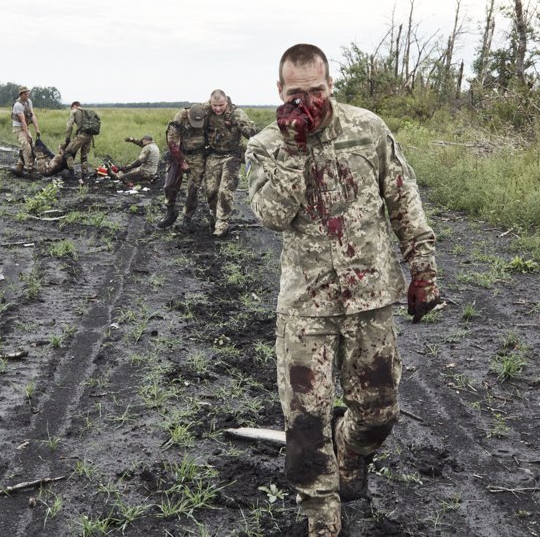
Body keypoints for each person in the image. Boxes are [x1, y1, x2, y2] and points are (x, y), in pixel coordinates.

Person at [245, 43, 440, 537]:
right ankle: (321, 520)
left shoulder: (368, 130)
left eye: (316, 91)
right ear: (279, 90)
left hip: (369, 295)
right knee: (306, 422)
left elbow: (403, 201)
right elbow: (271, 216)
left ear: (330, 84)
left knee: (378, 411)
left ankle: (350, 456)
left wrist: (423, 269)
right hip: (305, 303)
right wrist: (294, 148)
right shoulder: (265, 146)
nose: (306, 101)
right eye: (295, 93)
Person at [204, 90, 259, 236]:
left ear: (226, 102)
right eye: (214, 105)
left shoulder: (237, 113)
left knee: (224, 190)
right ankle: (214, 215)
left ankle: (222, 222)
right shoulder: (206, 111)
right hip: (214, 155)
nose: (217, 109)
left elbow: (253, 133)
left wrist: (241, 125)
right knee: (211, 190)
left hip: (232, 156)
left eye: (220, 105)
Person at [157, 103, 209, 230]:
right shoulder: (179, 118)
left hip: (198, 155)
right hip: (179, 154)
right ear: (189, 114)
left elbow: (221, 100)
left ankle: (187, 217)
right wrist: (182, 162)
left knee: (193, 189)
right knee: (169, 185)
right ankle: (170, 212)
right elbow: (173, 144)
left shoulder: (206, 110)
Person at [61, 101, 101, 184]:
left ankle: (71, 173)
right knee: (84, 155)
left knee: (67, 152)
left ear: (74, 106)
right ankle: (85, 174)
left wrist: (67, 138)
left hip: (81, 135)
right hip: (90, 136)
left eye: (71, 108)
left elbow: (69, 126)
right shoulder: (87, 111)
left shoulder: (74, 111)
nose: (71, 109)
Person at [12, 86, 42, 179]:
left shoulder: (29, 102)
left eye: (28, 93)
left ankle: (19, 167)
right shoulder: (18, 105)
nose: (27, 95)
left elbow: (32, 115)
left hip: (25, 127)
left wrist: (37, 129)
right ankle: (30, 170)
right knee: (26, 146)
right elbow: (23, 121)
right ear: (20, 95)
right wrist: (28, 135)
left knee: (32, 146)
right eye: (25, 94)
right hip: (18, 128)